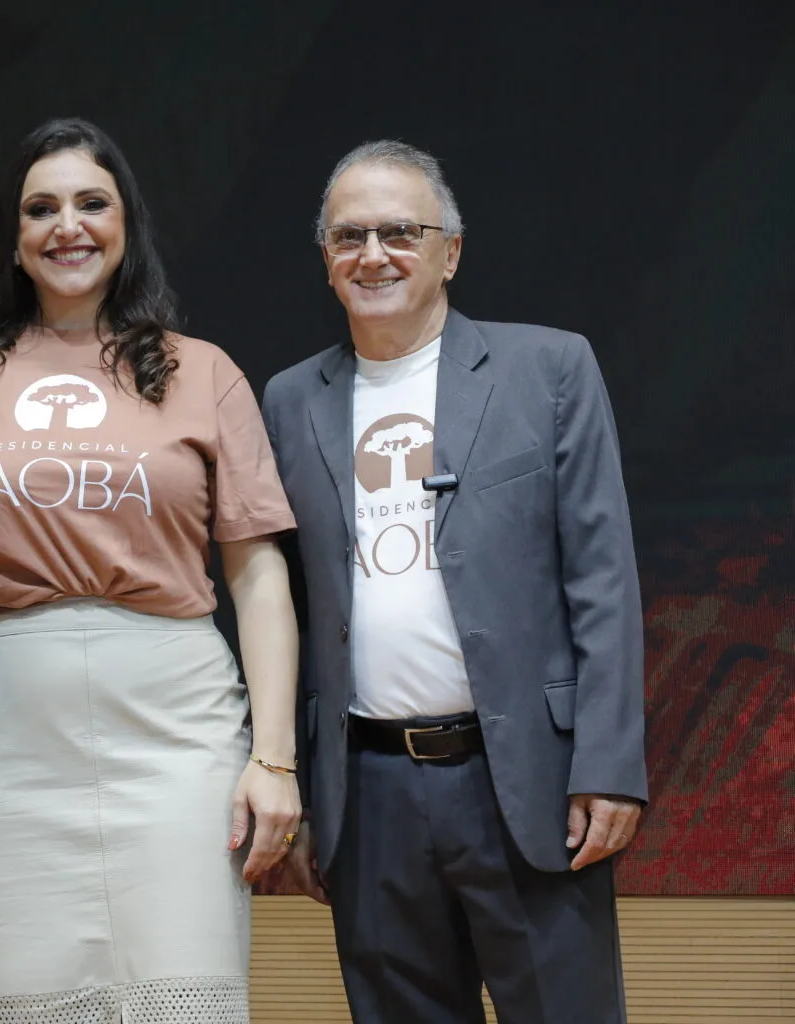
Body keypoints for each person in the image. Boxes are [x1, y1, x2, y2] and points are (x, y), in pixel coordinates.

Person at [0, 117, 301, 1023]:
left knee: (181, 1004)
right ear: (16, 241)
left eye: (90, 203)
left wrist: (275, 759)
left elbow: (259, 578)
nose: (67, 225)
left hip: (178, 744)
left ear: (126, 224)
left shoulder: (205, 373)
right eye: (42, 209)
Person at [262, 139, 646, 1023]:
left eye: (400, 231)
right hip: (368, 794)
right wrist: (302, 788)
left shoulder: (547, 369)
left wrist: (611, 766)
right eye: (348, 237)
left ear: (451, 252)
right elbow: (281, 606)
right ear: (325, 260)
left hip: (529, 781)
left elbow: (604, 580)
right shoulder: (289, 400)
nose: (374, 256)